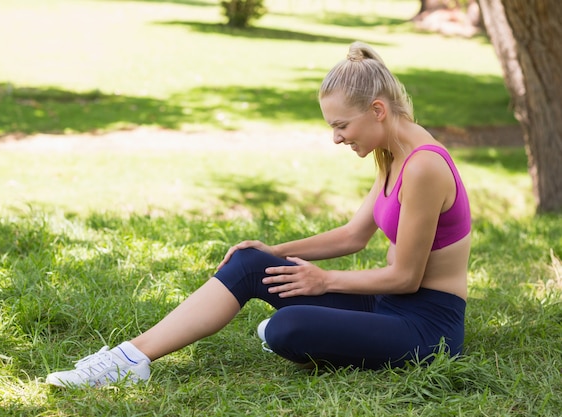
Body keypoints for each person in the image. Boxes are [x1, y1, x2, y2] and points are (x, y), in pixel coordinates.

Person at [45, 41, 471, 388]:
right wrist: (273, 251)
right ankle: (130, 358)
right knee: (250, 264)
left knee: (286, 329)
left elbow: (406, 278)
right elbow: (353, 236)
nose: (337, 138)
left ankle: (306, 330)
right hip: (385, 303)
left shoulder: (424, 166)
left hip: (426, 326)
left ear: (377, 110)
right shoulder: (392, 154)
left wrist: (325, 280)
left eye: (341, 126)